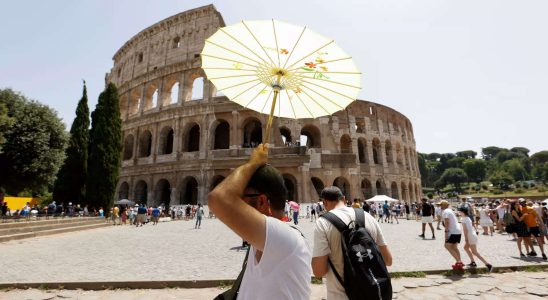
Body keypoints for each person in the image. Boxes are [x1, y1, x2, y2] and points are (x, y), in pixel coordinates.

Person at [208, 144, 311, 299]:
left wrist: (253, 163)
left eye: (241, 199)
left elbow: (218, 198)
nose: (238, 205)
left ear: (262, 202)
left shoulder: (284, 238)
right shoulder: (265, 240)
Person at [312, 186, 392, 299]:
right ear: (344, 199)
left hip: (341, 295)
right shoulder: (368, 216)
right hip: (372, 292)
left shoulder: (323, 223)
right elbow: (388, 260)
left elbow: (319, 271)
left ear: (324, 202)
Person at [458, 207, 493, 272]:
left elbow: (465, 230)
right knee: (466, 248)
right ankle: (473, 262)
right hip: (472, 234)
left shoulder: (463, 219)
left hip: (470, 236)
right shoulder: (468, 218)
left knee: (474, 252)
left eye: (460, 211)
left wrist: (466, 239)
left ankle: (488, 264)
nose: (459, 212)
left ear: (463, 212)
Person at [440, 200, 463, 270]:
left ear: (445, 205)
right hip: (458, 230)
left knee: (447, 246)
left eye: (441, 205)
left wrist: (446, 232)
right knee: (454, 247)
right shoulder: (450, 211)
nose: (440, 206)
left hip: (452, 231)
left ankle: (459, 262)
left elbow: (447, 222)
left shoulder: (445, 211)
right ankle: (459, 262)